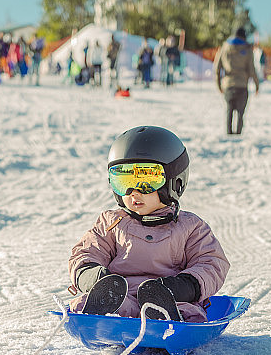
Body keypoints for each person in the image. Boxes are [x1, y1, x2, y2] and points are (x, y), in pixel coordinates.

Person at [67, 126, 230, 322]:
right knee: (88, 304)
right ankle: (105, 303)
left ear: (174, 181)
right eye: (124, 181)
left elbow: (211, 263)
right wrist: (95, 279)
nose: (134, 192)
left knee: (189, 313)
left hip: (170, 296)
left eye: (146, 181)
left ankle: (165, 316)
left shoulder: (190, 227)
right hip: (120, 295)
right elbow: (86, 254)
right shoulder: (111, 223)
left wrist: (184, 287)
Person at [214, 26, 259, 135]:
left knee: (229, 110)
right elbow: (252, 69)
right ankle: (238, 134)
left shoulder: (224, 47)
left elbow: (217, 68)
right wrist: (257, 85)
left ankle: (228, 133)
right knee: (240, 113)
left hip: (228, 84)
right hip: (242, 85)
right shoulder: (247, 49)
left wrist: (219, 85)